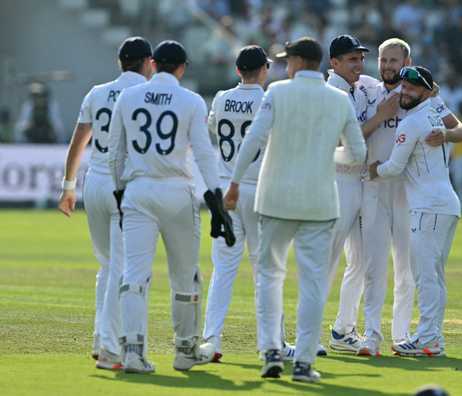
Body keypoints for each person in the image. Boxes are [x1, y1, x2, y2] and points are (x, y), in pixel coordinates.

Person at [224, 37, 366, 382]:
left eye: (288, 60)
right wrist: (326, 157)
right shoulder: (338, 99)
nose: (285, 66)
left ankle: (271, 350)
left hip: (275, 198)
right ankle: (303, 362)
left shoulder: (277, 93)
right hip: (319, 200)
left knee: (270, 277)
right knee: (313, 282)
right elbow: (357, 154)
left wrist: (235, 181)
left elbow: (253, 140)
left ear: (299, 62)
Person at [109, 40, 230, 373]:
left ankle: (132, 351)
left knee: (134, 275)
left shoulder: (128, 97)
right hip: (176, 191)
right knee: (185, 275)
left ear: (154, 64)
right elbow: (204, 154)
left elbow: (114, 154)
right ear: (181, 67)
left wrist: (120, 192)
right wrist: (215, 198)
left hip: (137, 190)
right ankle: (185, 350)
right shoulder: (190, 100)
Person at [202, 45, 304, 362]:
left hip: (226, 190)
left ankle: (211, 340)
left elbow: (212, 129)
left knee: (223, 270)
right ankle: (271, 343)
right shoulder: (269, 99)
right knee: (267, 272)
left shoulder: (220, 98)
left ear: (237, 71)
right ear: (263, 70)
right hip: (259, 191)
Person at [57, 36, 153, 369]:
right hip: (124, 185)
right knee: (122, 269)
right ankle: (112, 348)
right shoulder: (144, 94)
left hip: (94, 184)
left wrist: (68, 186)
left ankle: (100, 339)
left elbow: (78, 142)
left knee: (108, 266)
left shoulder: (97, 92)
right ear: (147, 62)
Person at [369, 66, 461, 357]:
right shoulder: (434, 110)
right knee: (434, 275)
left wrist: (373, 171)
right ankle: (433, 337)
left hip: (429, 207)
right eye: (404, 86)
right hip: (444, 205)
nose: (406, 91)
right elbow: (458, 129)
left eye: (413, 87)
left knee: (425, 276)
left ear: (426, 91)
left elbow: (394, 168)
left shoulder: (411, 123)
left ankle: (428, 339)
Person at [325, 34, 399, 353]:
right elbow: (343, 142)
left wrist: (429, 90)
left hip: (359, 183)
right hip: (337, 181)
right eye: (352, 59)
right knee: (326, 260)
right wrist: (380, 118)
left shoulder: (360, 85)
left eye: (361, 58)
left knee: (360, 261)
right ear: (334, 63)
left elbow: (397, 79)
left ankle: (342, 330)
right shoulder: (331, 93)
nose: (359, 64)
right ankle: (307, 332)